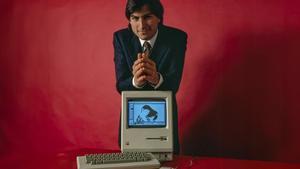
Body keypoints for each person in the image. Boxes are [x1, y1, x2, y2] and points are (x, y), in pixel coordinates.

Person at [113, 0, 187, 154]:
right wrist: (136, 82)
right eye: (135, 18)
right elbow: (121, 85)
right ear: (129, 19)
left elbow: (174, 84)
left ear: (159, 17)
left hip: (164, 123)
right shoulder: (121, 38)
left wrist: (156, 78)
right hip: (131, 120)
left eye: (147, 17)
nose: (141, 25)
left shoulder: (177, 38)